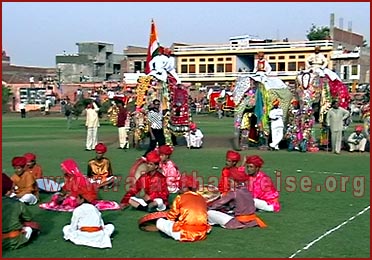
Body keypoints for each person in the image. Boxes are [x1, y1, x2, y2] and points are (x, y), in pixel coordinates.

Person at [156, 175, 211, 242]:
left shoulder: (180, 197)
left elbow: (171, 217)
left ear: (186, 187)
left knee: (159, 221)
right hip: (202, 234)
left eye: (180, 186)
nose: (179, 189)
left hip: (183, 234)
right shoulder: (202, 199)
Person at [2, 173, 40, 250]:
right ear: (8, 190)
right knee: (32, 226)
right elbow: (28, 218)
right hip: (13, 241)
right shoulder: (17, 204)